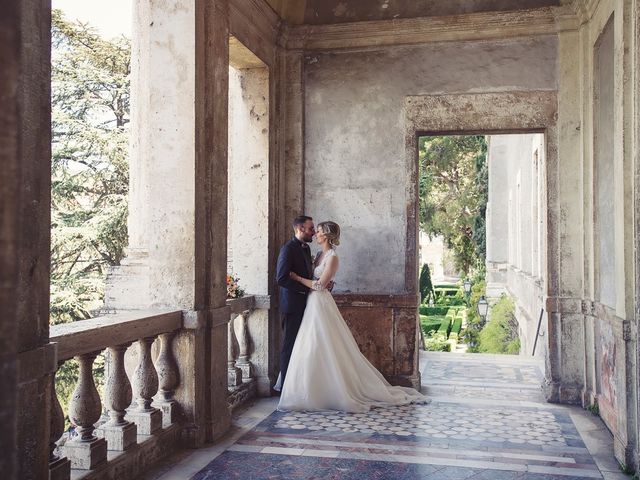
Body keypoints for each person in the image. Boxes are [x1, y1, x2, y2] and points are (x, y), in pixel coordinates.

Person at [278, 221, 427, 412]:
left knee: (324, 343)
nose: (315, 233)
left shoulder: (332, 257)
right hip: (311, 303)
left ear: (326, 236)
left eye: (319, 231)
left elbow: (319, 285)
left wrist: (297, 278)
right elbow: (317, 278)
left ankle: (332, 390)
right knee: (310, 344)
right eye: (314, 230)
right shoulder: (317, 255)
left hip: (320, 302)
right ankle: (307, 389)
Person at [274, 215, 316, 393]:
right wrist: (305, 289)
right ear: (300, 229)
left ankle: (298, 385)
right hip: (292, 305)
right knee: (289, 346)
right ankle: (285, 388)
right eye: (310, 229)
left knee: (303, 345)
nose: (313, 232)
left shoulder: (305, 249)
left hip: (306, 304)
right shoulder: (288, 249)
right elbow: (281, 278)